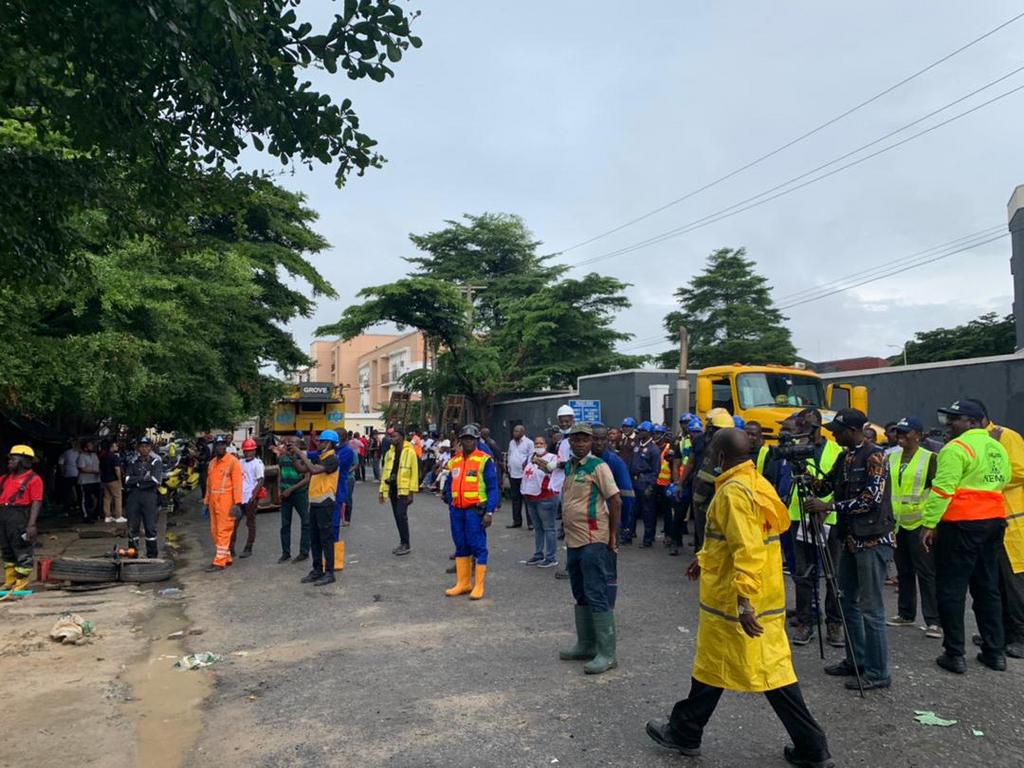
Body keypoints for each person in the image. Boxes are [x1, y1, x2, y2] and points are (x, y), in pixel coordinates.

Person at [645, 429, 833, 767]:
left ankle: (813, 746)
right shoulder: (756, 483)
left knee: (770, 675)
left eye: (712, 451)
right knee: (717, 667)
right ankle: (685, 730)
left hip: (736, 603)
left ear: (719, 456)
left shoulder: (733, 492)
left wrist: (745, 601)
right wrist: (703, 558)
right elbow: (728, 540)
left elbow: (747, 548)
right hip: (757, 596)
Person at [806, 408, 894, 690]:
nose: (833, 434)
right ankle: (856, 660)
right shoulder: (845, 457)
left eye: (838, 430)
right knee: (848, 603)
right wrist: (805, 475)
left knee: (871, 609)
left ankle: (878, 672)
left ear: (854, 430)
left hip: (872, 541)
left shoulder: (875, 456)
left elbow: (871, 500)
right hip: (851, 541)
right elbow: (824, 487)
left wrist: (830, 506)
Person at [921, 399, 1010, 674]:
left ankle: (954, 653)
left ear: (973, 422)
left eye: (955, 419)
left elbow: (943, 489)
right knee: (987, 587)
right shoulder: (996, 447)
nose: (949, 424)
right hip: (993, 522)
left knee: (951, 589)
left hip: (961, 525)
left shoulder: (956, 449)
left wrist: (929, 523)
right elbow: (1003, 480)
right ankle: (995, 653)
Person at [557, 423, 621, 675]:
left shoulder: (599, 467)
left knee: (596, 592)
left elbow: (616, 500)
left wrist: (613, 536)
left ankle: (607, 653)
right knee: (579, 591)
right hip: (574, 539)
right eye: (575, 440)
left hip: (594, 538)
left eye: (584, 440)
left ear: (592, 442)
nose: (579, 443)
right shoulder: (572, 466)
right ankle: (586, 644)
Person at [968, 398, 1024, 659]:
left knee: (1014, 585)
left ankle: (1020, 637)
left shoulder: (1005, 436)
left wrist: (987, 478)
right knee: (994, 583)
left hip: (1012, 521)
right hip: (987, 521)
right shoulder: (969, 443)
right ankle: (998, 634)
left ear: (980, 420)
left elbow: (1020, 470)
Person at [788, 408, 845, 649]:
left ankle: (834, 622)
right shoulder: (794, 449)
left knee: (834, 573)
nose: (803, 430)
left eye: (807, 425)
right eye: (800, 425)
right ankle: (806, 620)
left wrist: (824, 510)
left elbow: (840, 485)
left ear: (818, 426)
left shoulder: (836, 451)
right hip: (798, 516)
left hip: (829, 519)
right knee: (803, 573)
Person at [885, 417, 940, 638]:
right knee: (903, 569)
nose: (901, 436)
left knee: (926, 572)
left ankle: (933, 620)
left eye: (906, 433)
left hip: (921, 523)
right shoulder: (890, 456)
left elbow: (938, 491)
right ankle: (905, 613)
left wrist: (933, 523)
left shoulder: (930, 458)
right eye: (899, 432)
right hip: (898, 523)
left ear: (918, 434)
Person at [443, 425, 499, 599]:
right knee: (461, 545)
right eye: (465, 439)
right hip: (457, 511)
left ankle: (478, 585)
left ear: (476, 440)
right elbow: (449, 481)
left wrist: (490, 512)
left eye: (471, 439)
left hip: (475, 511)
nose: (468, 441)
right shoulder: (455, 461)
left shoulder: (484, 460)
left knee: (478, 546)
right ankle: (463, 583)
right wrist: (448, 498)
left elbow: (493, 488)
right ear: (461, 441)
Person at [291, 430, 341, 586]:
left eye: (321, 441)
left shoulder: (332, 459)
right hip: (315, 502)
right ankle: (317, 569)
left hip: (325, 503)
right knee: (315, 539)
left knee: (326, 539)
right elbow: (301, 469)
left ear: (329, 443)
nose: (318, 443)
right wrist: (292, 455)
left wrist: (300, 452)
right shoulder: (322, 458)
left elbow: (312, 470)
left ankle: (329, 572)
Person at [593, 422, 633, 607]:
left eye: (603, 439)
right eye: (595, 439)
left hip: (609, 522)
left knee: (608, 568)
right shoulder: (584, 462)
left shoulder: (614, 462)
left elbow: (626, 496)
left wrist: (619, 527)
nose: (599, 443)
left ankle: (607, 607)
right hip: (588, 524)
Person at [688, 410, 735, 553]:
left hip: (710, 502)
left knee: (709, 541)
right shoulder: (735, 448)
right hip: (725, 501)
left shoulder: (715, 450)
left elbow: (705, 480)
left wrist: (697, 501)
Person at [0, 445, 43, 595]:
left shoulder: (34, 479)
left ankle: (21, 582)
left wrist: (31, 524)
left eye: (13, 459)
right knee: (6, 549)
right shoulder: (5, 479)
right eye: (9, 459)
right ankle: (10, 580)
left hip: (21, 517)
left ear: (24, 461)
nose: (9, 461)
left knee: (22, 550)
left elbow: (37, 501)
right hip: (5, 515)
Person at [202, 436, 242, 573]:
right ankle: (226, 557)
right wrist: (206, 502)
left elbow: (238, 484)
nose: (220, 447)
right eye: (218, 445)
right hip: (214, 501)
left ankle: (219, 562)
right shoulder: (212, 463)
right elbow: (209, 484)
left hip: (227, 501)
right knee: (215, 531)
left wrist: (237, 503)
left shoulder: (233, 462)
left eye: (222, 445)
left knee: (223, 531)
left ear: (226, 446)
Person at [378, 426, 418, 556]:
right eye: (391, 436)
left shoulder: (409, 452)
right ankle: (403, 542)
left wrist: (412, 493)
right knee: (397, 516)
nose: (392, 439)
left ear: (401, 436)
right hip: (393, 488)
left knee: (401, 515)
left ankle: (406, 544)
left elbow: (414, 472)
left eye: (394, 436)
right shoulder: (390, 453)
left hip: (404, 490)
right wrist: (382, 491)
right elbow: (386, 472)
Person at [520, 435, 559, 567]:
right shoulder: (530, 458)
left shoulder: (553, 458)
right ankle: (538, 554)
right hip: (531, 497)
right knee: (538, 528)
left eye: (541, 443)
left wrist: (541, 463)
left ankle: (551, 557)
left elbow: (553, 472)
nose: (538, 446)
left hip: (546, 498)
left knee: (549, 528)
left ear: (546, 445)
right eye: (536, 443)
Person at [123, 437, 164, 558]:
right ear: (138, 449)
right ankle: (133, 554)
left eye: (147, 446)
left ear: (150, 448)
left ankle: (152, 555)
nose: (144, 449)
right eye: (141, 446)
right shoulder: (132, 463)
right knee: (132, 528)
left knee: (150, 527)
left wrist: (137, 482)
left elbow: (155, 480)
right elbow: (127, 480)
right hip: (133, 498)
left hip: (149, 498)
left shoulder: (156, 462)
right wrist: (144, 479)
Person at [274, 435, 310, 563]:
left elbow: (307, 478)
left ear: (299, 445)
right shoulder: (282, 458)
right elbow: (280, 474)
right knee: (285, 524)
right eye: (289, 443)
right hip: (285, 495)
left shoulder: (303, 459)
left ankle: (304, 552)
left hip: (299, 494)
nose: (290, 445)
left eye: (293, 443)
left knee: (306, 522)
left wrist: (291, 489)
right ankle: (285, 552)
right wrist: (279, 490)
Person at [229, 438, 264, 559]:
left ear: (254, 451)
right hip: (239, 498)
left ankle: (249, 547)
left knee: (250, 523)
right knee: (234, 523)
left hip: (250, 498)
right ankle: (231, 548)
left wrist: (253, 497)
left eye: (250, 451)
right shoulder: (240, 462)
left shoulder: (258, 464)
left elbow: (260, 481)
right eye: (246, 451)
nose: (248, 453)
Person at [630, 420, 662, 547]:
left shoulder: (653, 450)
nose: (639, 433)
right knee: (632, 510)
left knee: (648, 512)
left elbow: (656, 470)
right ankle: (628, 535)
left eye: (642, 431)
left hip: (646, 482)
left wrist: (651, 486)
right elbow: (631, 463)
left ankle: (648, 539)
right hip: (635, 481)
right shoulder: (637, 446)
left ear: (649, 433)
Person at [506, 424, 532, 529]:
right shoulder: (511, 442)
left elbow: (531, 456)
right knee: (515, 499)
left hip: (524, 475)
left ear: (522, 432)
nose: (514, 433)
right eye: (514, 431)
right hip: (513, 474)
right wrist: (508, 467)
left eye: (517, 431)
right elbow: (509, 454)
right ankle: (516, 521)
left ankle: (531, 523)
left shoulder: (529, 443)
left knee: (527, 499)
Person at [653, 425, 674, 546]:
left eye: (658, 433)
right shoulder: (653, 447)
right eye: (654, 433)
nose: (656, 436)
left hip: (666, 483)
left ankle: (669, 535)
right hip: (655, 483)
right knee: (653, 510)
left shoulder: (669, 448)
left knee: (668, 513)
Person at [99, 440, 126, 524]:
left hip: (105, 479)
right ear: (111, 446)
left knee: (107, 498)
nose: (117, 447)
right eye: (115, 445)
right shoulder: (114, 457)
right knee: (118, 497)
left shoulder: (103, 457)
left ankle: (107, 516)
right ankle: (118, 516)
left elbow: (100, 469)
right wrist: (119, 479)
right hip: (113, 479)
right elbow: (117, 469)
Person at [77, 439, 102, 523]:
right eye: (90, 446)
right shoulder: (82, 456)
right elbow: (81, 468)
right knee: (86, 499)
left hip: (95, 480)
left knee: (97, 497)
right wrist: (94, 471)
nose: (92, 447)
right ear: (85, 448)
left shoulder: (94, 455)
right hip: (85, 481)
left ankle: (95, 513)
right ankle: (86, 516)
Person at [57, 439, 81, 515]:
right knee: (79, 491)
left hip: (68, 475)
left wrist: (62, 473)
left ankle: (67, 508)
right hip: (78, 474)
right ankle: (79, 506)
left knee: (67, 492)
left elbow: (60, 464)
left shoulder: (64, 453)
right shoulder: (78, 453)